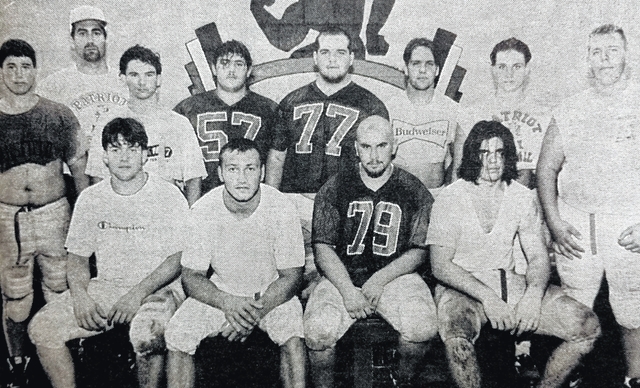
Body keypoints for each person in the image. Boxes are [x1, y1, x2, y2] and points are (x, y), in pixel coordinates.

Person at [428, 120, 601, 388]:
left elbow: (537, 257)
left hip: (507, 281)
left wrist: (533, 296)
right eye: (484, 153)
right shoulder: (450, 198)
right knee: (457, 333)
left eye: (500, 152)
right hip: (461, 285)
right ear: (473, 155)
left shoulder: (521, 196)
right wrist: (488, 298)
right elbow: (441, 266)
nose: (493, 161)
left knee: (586, 326)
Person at [28, 117, 189, 388]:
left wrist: (136, 294)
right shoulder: (92, 198)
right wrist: (80, 297)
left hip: (159, 290)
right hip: (107, 288)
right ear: (104, 157)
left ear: (145, 155)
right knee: (42, 329)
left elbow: (178, 258)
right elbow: (77, 257)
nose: (124, 157)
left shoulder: (168, 195)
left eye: (132, 149)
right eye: (116, 149)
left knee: (146, 333)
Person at [537, 24, 640, 388]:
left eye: (612, 50)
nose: (605, 59)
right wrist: (554, 223)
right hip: (578, 223)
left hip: (629, 223)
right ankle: (567, 378)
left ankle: (634, 378)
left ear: (626, 54)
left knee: (631, 310)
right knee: (574, 309)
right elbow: (545, 168)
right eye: (597, 52)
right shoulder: (572, 107)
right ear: (587, 58)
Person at [305, 115, 437, 388]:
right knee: (317, 333)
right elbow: (322, 248)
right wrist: (348, 290)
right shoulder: (335, 187)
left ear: (394, 146)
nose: (374, 156)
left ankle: (399, 379)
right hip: (343, 276)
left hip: (397, 276)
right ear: (355, 148)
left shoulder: (414, 190)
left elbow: (419, 251)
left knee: (422, 326)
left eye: (382, 146)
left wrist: (380, 279)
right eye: (366, 147)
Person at [164, 138, 306, 388]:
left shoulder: (282, 207)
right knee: (177, 334)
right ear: (220, 173)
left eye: (250, 168)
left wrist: (252, 313)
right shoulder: (204, 209)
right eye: (232, 169)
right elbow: (192, 276)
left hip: (271, 292)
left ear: (262, 172)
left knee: (293, 337)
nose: (242, 178)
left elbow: (292, 277)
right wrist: (228, 303)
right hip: (222, 290)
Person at [266, 26, 389, 293]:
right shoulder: (291, 101)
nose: (332, 58)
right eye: (325, 52)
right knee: (286, 281)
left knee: (335, 283)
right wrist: (271, 205)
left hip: (345, 206)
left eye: (340, 52)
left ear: (352, 58)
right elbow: (276, 157)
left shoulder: (371, 105)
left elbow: (379, 165)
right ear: (315, 57)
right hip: (295, 204)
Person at [0, 38, 88, 388]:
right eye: (11, 66)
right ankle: (16, 362)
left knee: (59, 286)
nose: (19, 74)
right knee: (16, 295)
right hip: (8, 218)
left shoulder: (57, 114)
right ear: (1, 71)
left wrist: (83, 220)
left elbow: (79, 170)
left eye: (26, 66)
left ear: (36, 70)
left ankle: (69, 351)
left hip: (54, 212)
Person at [86, 45, 206, 205]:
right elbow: (98, 177)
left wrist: (189, 220)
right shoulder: (106, 122)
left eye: (149, 75)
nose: (142, 82)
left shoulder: (178, 123)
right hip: (123, 210)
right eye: (134, 75)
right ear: (122, 78)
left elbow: (194, 179)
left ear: (159, 79)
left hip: (166, 210)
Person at [174, 39, 278, 196]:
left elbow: (276, 161)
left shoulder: (269, 110)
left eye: (239, 64)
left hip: (251, 200)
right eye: (225, 63)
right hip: (202, 198)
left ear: (249, 70)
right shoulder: (188, 109)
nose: (231, 70)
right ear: (214, 69)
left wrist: (270, 198)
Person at [38, 5, 128, 157]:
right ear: (72, 40)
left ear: (106, 38)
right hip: (72, 176)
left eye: (96, 32)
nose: (90, 40)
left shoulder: (125, 81)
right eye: (82, 33)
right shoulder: (52, 85)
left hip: (117, 174)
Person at [463, 37, 551, 189]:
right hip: (484, 199)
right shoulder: (474, 113)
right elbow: (460, 172)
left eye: (516, 66)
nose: (509, 74)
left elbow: (549, 175)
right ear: (493, 69)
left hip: (529, 202)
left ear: (527, 69)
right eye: (502, 67)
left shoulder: (544, 114)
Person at [387, 38, 465, 196]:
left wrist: (448, 200)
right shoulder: (389, 108)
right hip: (396, 196)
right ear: (406, 68)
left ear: (436, 70)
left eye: (429, 64)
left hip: (436, 196)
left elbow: (459, 165)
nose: (423, 70)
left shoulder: (453, 110)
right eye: (416, 63)